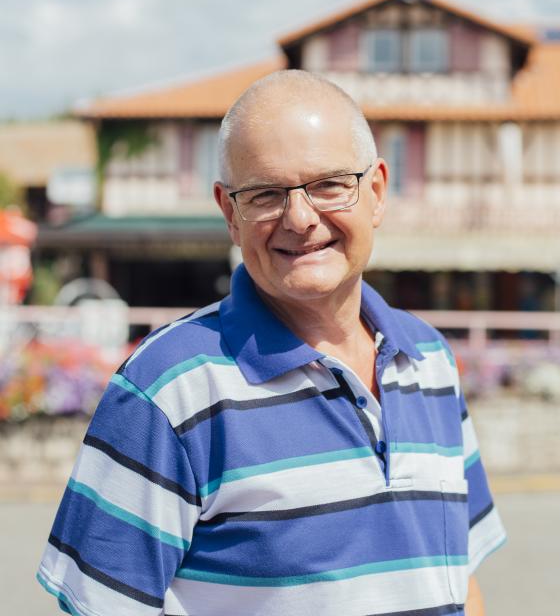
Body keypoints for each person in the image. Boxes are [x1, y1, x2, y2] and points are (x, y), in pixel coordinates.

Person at [37, 70, 505, 616]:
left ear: (376, 192)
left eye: (330, 184)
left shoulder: (430, 360)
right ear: (229, 213)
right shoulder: (165, 391)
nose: (300, 219)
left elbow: (460, 579)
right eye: (265, 193)